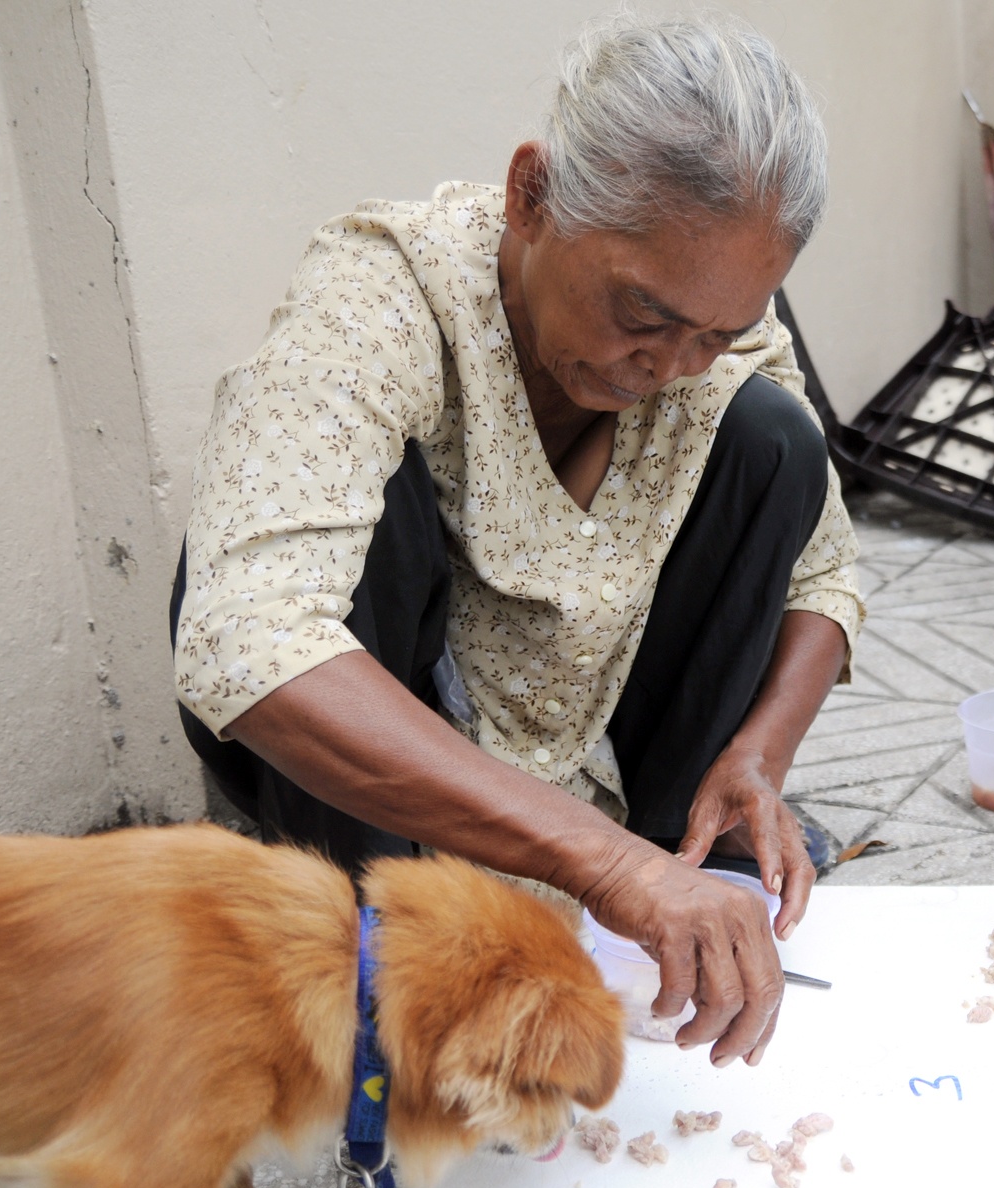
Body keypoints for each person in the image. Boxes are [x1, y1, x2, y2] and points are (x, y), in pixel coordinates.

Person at [169, 14, 861, 1069]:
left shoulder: (710, 323)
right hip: (389, 770)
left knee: (773, 439)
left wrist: (757, 757)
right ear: (531, 196)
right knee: (363, 521)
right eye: (642, 309)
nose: (669, 363)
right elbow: (248, 643)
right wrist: (609, 866)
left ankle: (673, 880)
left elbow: (825, 568)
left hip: (587, 745)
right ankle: (391, 957)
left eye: (713, 332)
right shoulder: (381, 299)